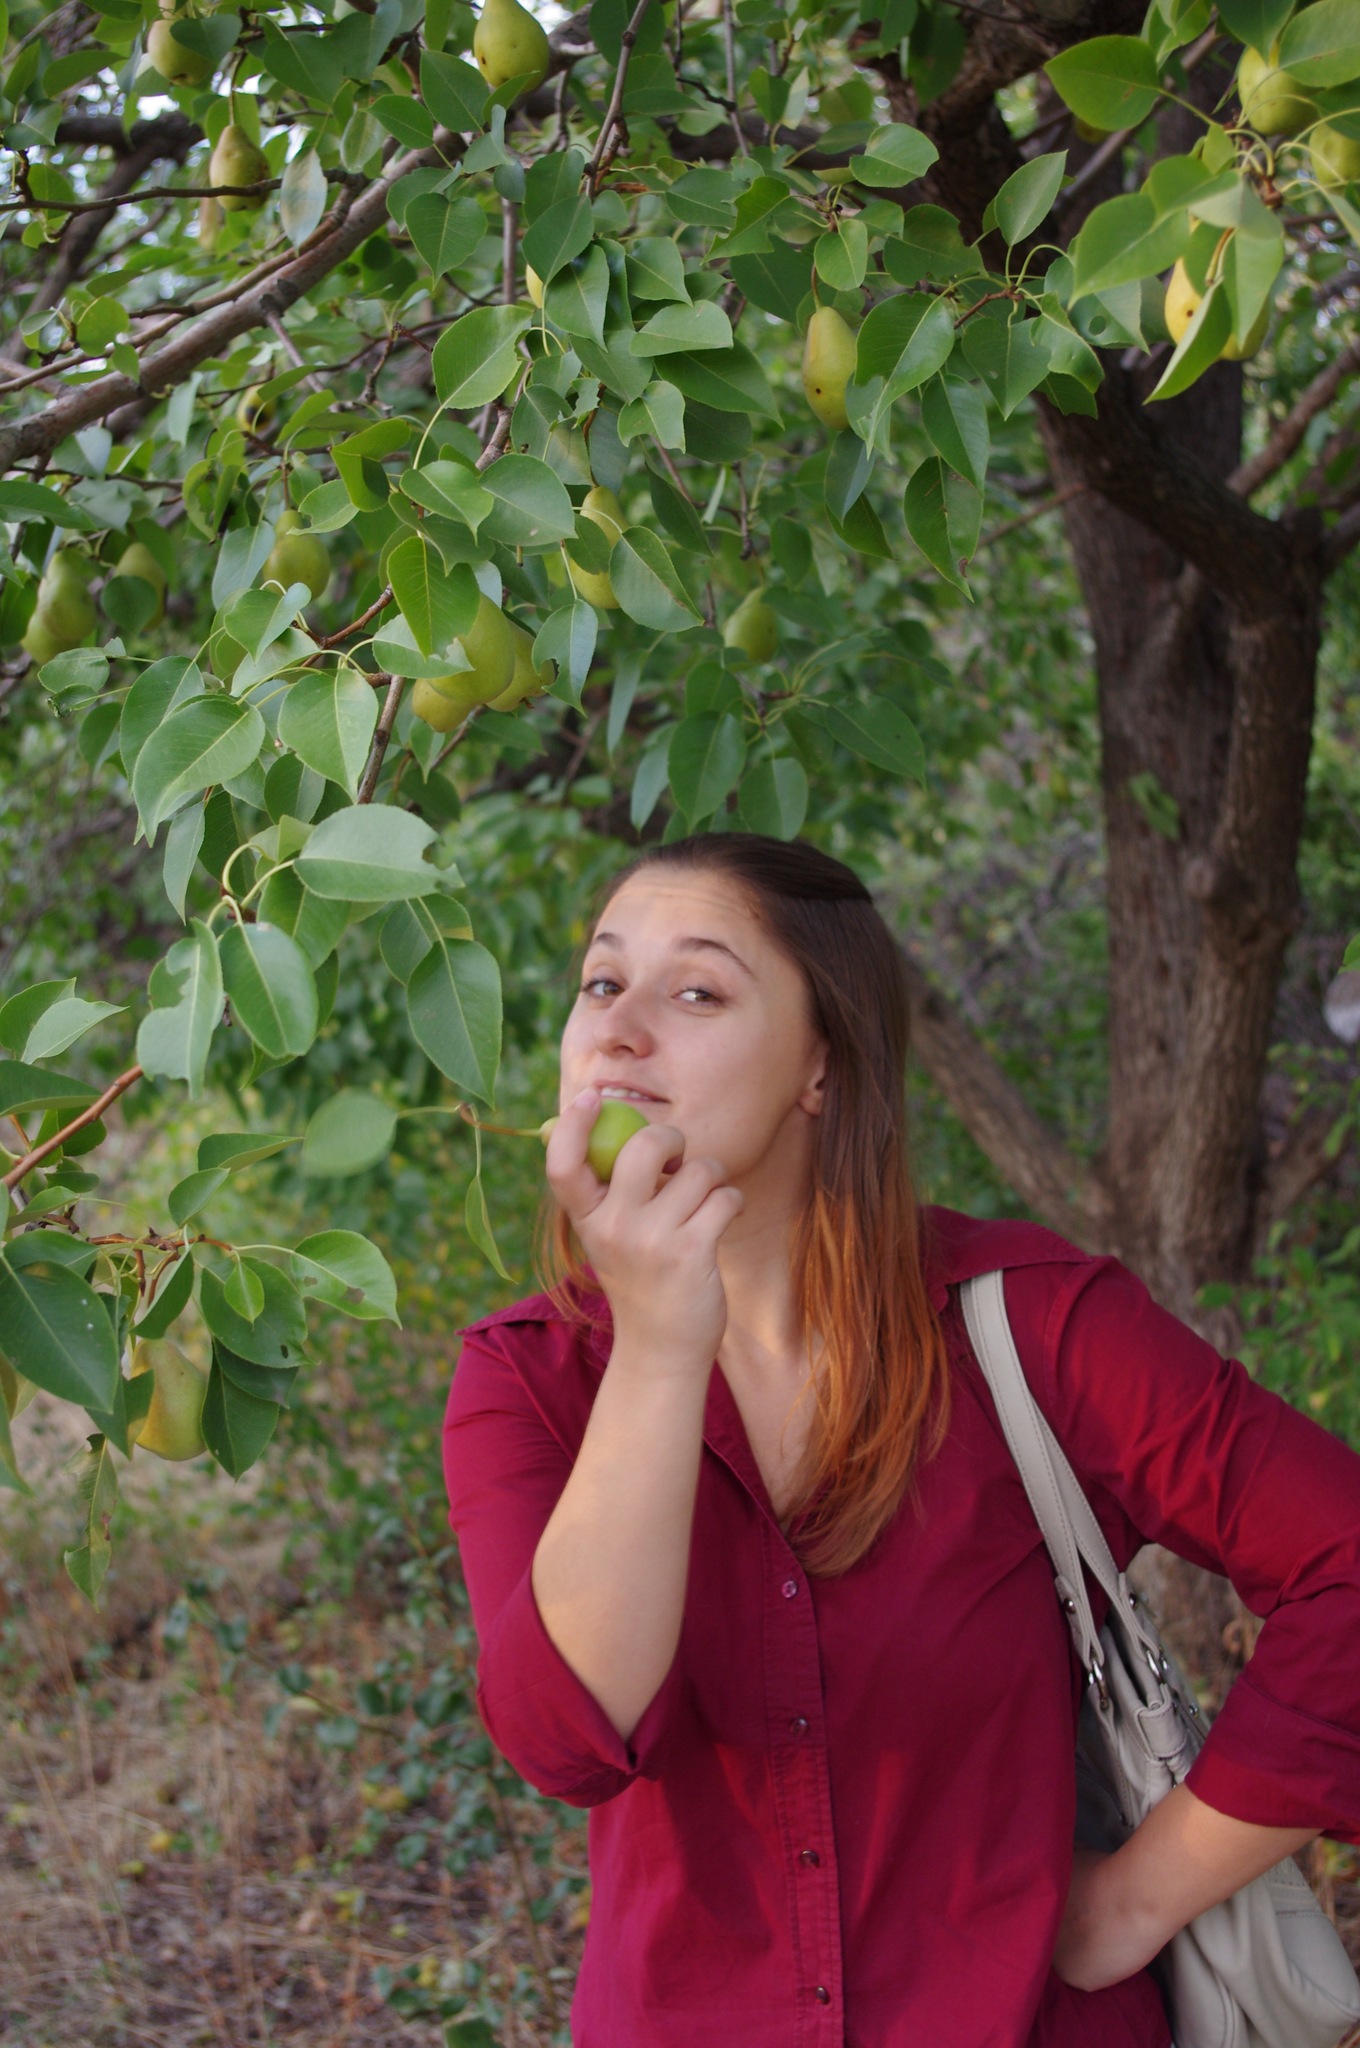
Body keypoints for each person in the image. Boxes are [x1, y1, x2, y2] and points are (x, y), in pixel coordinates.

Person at [442, 833, 1360, 2047]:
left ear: (821, 1064)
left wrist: (1140, 1896)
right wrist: (659, 1343)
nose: (617, 1028)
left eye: (696, 990)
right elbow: (566, 1740)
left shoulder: (1029, 1325)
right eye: (602, 981)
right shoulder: (528, 1376)